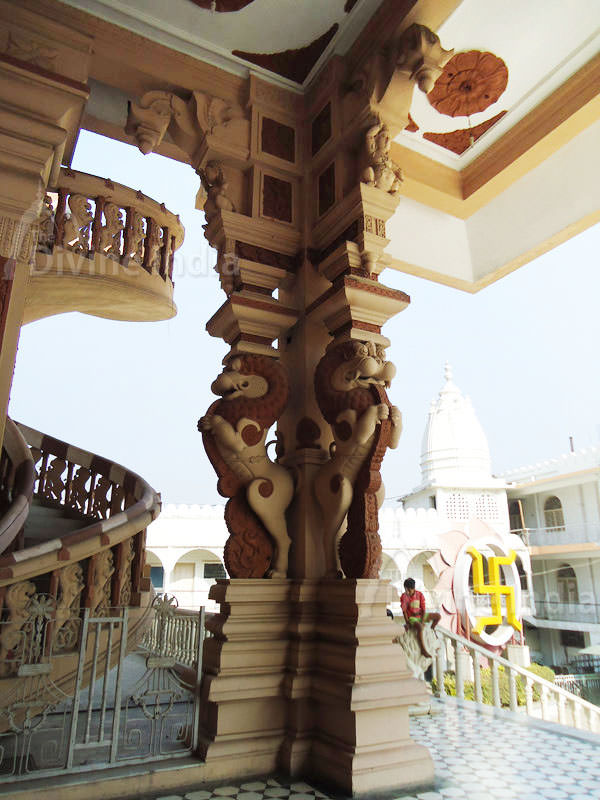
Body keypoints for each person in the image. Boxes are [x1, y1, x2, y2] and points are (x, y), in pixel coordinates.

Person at [400, 578, 441, 658]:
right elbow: (404, 611)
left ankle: (432, 630)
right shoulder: (404, 596)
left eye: (409, 590)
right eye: (406, 589)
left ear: (413, 588)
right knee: (419, 627)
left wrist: (422, 620)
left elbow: (423, 609)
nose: (407, 591)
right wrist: (408, 622)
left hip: (421, 615)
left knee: (437, 616)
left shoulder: (419, 595)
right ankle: (423, 649)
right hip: (412, 618)